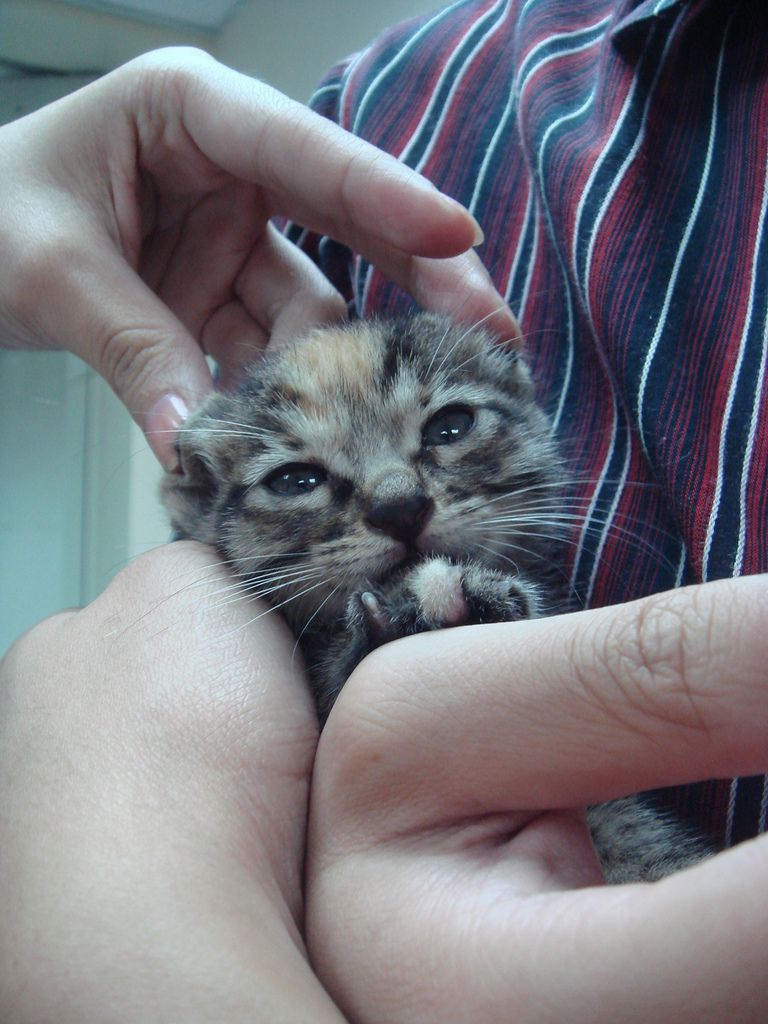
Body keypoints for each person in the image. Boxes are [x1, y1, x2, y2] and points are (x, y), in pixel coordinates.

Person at [1, 14, 766, 1024]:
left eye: (448, 426)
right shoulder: (369, 111)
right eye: (296, 476)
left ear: (522, 399)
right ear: (200, 503)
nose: (398, 497)